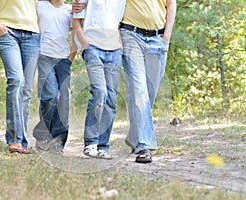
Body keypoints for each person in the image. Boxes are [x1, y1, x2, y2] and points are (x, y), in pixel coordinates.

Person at [120, 0, 177, 163]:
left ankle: (134, 135)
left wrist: (167, 36)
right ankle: (143, 146)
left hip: (158, 39)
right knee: (139, 91)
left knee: (149, 93)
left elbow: (171, 4)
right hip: (131, 35)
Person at [0, 0, 40, 154]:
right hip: (7, 32)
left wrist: (81, 6)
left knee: (26, 90)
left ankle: (22, 141)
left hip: (32, 35)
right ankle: (14, 139)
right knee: (16, 79)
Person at [72, 0, 126, 159]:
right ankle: (91, 143)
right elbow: (76, 22)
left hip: (114, 50)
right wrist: (86, 45)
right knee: (100, 92)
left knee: (111, 99)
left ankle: (103, 146)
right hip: (93, 48)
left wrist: (120, 46)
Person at [32, 0, 76, 152]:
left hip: (63, 59)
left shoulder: (70, 10)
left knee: (64, 99)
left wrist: (71, 56)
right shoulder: (39, 5)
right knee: (49, 95)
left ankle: (58, 142)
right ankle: (43, 137)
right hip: (44, 56)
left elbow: (77, 30)